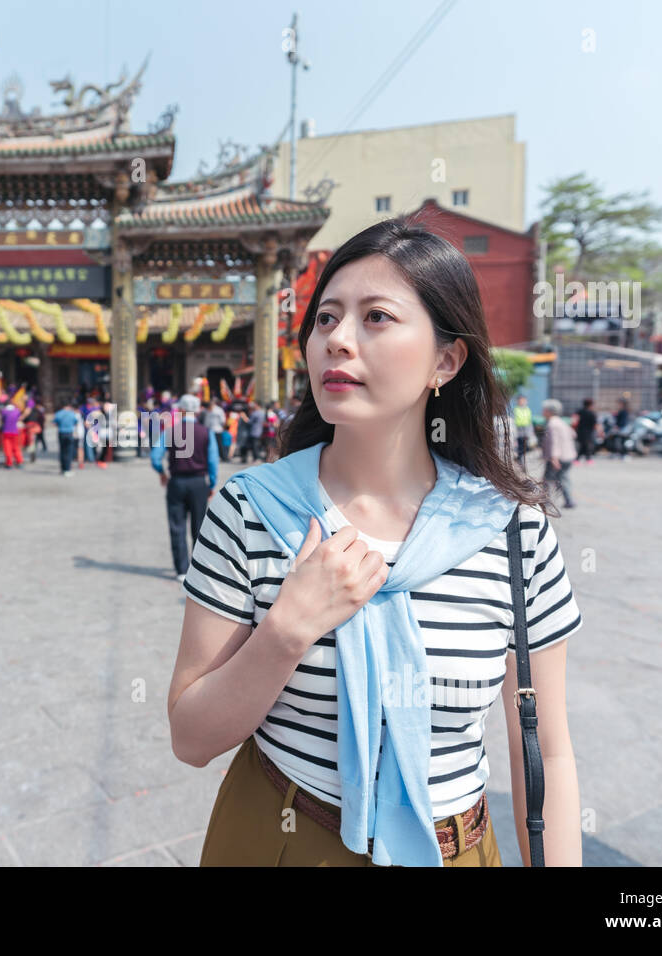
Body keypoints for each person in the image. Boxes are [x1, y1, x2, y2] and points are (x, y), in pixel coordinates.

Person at [169, 218, 583, 868]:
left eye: (376, 317)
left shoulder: (511, 533)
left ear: (445, 360)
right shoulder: (250, 511)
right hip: (281, 835)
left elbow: (549, 751)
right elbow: (191, 738)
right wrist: (286, 632)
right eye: (326, 318)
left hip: (460, 848)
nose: (337, 339)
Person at [151, 393, 219, 582]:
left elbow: (155, 457)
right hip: (198, 483)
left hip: (177, 481)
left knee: (177, 525)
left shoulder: (171, 431)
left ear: (180, 410)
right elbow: (213, 461)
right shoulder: (206, 432)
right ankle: (199, 568)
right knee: (199, 527)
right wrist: (212, 484)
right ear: (197, 410)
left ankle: (181, 569)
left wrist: (162, 473)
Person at [541, 399, 577, 508]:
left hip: (557, 457)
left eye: (544, 410)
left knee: (547, 479)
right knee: (563, 478)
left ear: (549, 411)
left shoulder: (552, 424)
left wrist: (554, 457)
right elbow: (574, 434)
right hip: (568, 455)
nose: (542, 412)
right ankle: (569, 500)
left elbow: (554, 442)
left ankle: (545, 502)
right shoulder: (562, 422)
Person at [54, 399, 82, 477]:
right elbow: (75, 422)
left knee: (62, 451)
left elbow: (55, 422)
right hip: (69, 433)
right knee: (68, 452)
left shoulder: (58, 413)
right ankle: (67, 469)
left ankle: (62, 469)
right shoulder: (72, 414)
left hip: (61, 433)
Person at [512, 395, 536, 471]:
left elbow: (530, 422)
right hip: (518, 432)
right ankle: (520, 463)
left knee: (526, 448)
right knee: (520, 448)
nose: (523, 402)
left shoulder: (528, 410)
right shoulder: (515, 410)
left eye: (524, 400)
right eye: (521, 400)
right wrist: (514, 435)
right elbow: (513, 422)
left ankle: (521, 462)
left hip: (526, 432)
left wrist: (531, 433)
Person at [0, 401, 24, 469]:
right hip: (15, 432)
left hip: (6, 432)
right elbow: (19, 419)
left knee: (8, 448)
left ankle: (9, 463)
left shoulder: (4, 411)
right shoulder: (17, 411)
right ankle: (19, 462)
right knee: (16, 447)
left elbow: (2, 420)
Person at [572, 398, 598, 463]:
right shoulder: (592, 413)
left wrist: (574, 429)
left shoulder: (579, 411)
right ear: (591, 405)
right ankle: (588, 459)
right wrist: (599, 432)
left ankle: (578, 459)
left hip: (580, 431)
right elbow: (595, 424)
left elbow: (574, 421)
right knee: (588, 446)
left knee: (581, 445)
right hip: (589, 432)